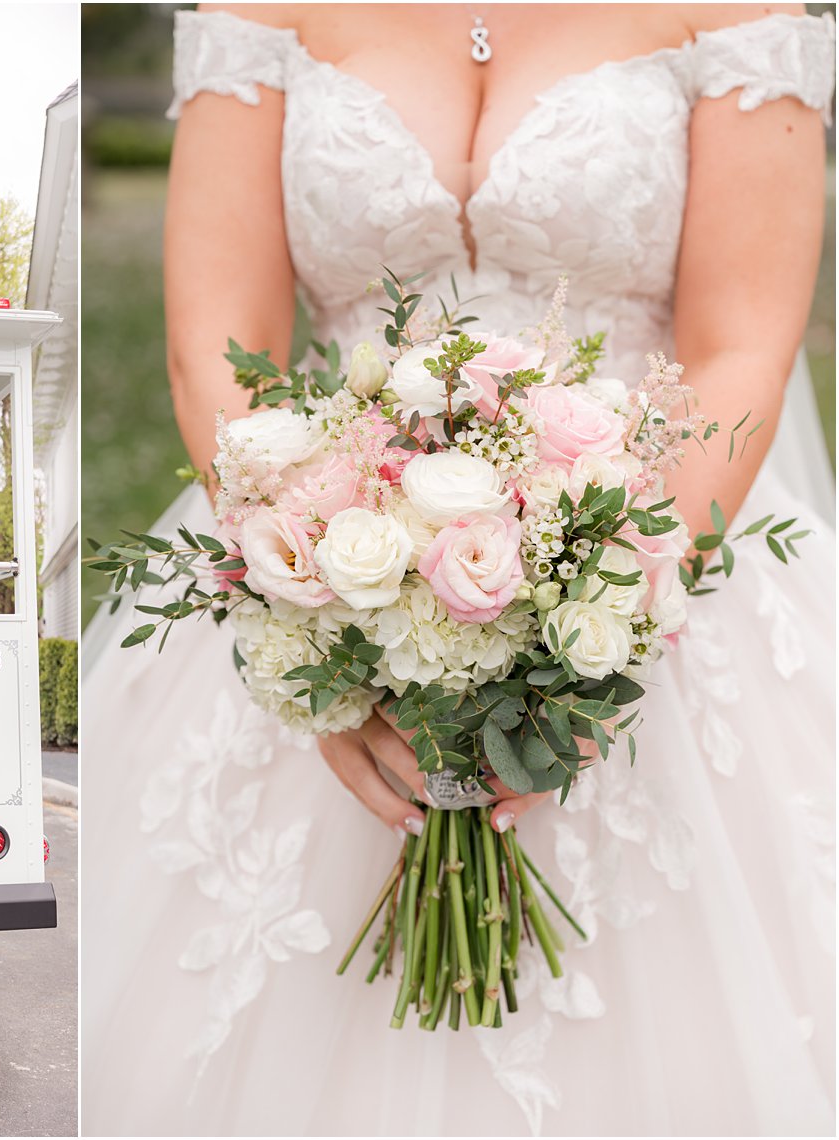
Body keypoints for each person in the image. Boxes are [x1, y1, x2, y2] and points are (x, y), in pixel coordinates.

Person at [82, 5, 835, 1135]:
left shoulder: (736, 13)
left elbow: (737, 348)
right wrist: (314, 619)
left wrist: (597, 619)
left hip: (660, 535)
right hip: (324, 531)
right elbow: (214, 341)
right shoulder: (254, 12)